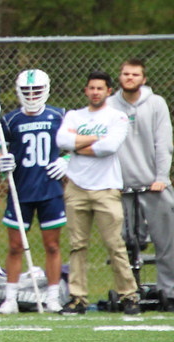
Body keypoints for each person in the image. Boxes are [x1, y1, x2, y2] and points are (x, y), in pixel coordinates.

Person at [57, 69, 137, 315]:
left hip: (107, 189)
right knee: (77, 245)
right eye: (91, 88)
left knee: (115, 245)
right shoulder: (73, 115)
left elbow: (109, 146)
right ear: (86, 90)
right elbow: (62, 141)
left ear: (108, 91)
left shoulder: (117, 117)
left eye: (100, 88)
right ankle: (77, 298)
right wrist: (93, 139)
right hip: (77, 188)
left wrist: (79, 144)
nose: (95, 92)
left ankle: (129, 296)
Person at [0, 69, 67, 314]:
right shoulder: (10, 120)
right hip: (19, 190)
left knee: (52, 245)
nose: (32, 95)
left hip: (50, 189)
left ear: (46, 89)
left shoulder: (59, 116)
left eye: (36, 90)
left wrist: (67, 161)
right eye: (27, 91)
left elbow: (73, 146)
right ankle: (10, 298)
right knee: (15, 246)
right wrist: (1, 159)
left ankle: (53, 297)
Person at [108, 59, 174, 309]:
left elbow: (163, 142)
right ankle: (129, 293)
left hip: (153, 184)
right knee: (124, 241)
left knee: (166, 241)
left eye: (135, 74)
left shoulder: (156, 104)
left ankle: (169, 291)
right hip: (121, 187)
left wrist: (161, 177)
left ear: (143, 79)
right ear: (120, 77)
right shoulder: (110, 106)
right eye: (125, 73)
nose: (130, 78)